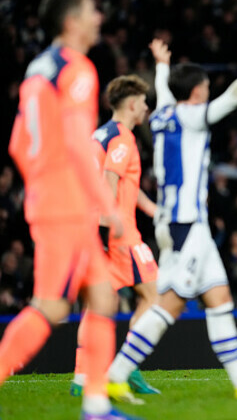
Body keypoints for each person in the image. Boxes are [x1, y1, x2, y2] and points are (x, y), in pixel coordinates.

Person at [0, 0, 138, 420]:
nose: (99, 18)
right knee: (52, 305)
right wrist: (106, 205)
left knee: (102, 297)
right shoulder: (77, 68)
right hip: (67, 204)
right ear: (71, 21)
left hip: (52, 197)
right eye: (92, 11)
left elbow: (17, 143)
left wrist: (42, 183)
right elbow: (79, 145)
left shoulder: (39, 67)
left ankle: (96, 405)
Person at [106, 34, 237, 402]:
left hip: (188, 224)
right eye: (206, 87)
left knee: (219, 297)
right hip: (185, 224)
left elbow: (165, 90)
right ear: (196, 92)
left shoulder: (162, 113)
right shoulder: (191, 116)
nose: (209, 92)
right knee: (172, 302)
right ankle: (116, 375)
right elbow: (236, 96)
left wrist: (162, 65)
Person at [71, 75, 160, 398]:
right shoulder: (122, 138)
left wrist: (152, 209)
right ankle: (127, 367)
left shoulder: (100, 134)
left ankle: (81, 378)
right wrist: (109, 222)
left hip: (92, 227)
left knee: (98, 303)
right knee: (154, 295)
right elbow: (110, 180)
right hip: (119, 232)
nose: (147, 108)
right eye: (144, 102)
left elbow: (122, 184)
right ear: (133, 104)